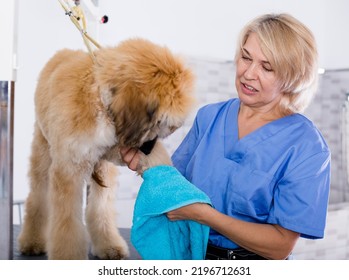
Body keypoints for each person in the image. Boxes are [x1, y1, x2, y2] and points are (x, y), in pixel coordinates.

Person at [120, 13, 330, 260]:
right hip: (196, 254)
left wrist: (203, 215)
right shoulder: (209, 117)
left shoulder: (306, 145)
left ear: (293, 76)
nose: (249, 73)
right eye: (245, 57)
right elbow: (176, 183)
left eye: (267, 67)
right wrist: (144, 162)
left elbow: (281, 246)